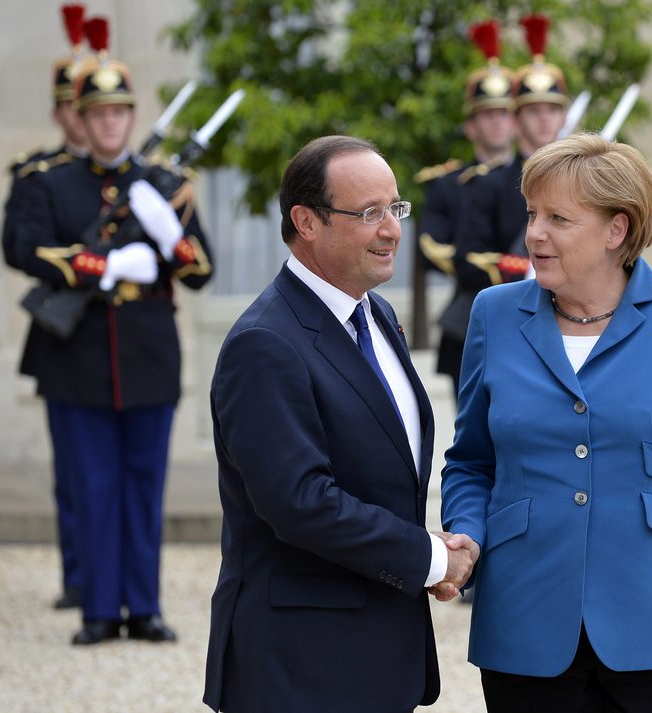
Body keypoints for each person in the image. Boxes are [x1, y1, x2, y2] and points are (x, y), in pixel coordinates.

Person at [440, 133, 652, 712]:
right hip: (525, 620)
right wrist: (465, 534)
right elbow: (471, 461)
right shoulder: (494, 313)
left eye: (559, 218)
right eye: (532, 214)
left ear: (617, 230)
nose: (535, 233)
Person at [202, 135, 479, 713]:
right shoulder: (264, 342)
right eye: (368, 213)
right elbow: (299, 501)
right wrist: (428, 557)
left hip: (376, 652)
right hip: (299, 664)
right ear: (306, 220)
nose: (392, 230)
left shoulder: (376, 313)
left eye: (395, 208)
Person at [12, 16, 213, 645]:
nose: (108, 125)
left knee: (142, 486)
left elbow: (202, 269)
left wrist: (168, 234)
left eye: (119, 114)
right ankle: (100, 610)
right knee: (94, 486)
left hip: (148, 353)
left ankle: (144, 606)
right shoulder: (49, 183)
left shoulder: (164, 188)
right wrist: (99, 265)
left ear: (130, 119)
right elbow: (22, 247)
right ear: (81, 117)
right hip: (79, 357)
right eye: (97, 114)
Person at [0, 3, 90, 610]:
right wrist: (86, 261)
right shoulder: (38, 175)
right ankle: (81, 576)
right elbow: (17, 246)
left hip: (124, 339)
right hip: (68, 336)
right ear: (61, 112)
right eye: (75, 105)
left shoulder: (138, 178)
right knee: (78, 474)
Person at [450, 14, 570, 327]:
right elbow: (469, 262)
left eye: (553, 109)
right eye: (533, 110)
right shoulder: (488, 184)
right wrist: (522, 269)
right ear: (515, 121)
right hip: (506, 317)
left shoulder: (580, 184)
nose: (544, 119)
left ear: (564, 117)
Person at [417, 20, 516, 398]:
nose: (497, 122)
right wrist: (497, 265)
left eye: (505, 113)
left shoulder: (534, 177)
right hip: (471, 308)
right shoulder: (447, 183)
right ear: (471, 125)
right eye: (487, 114)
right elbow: (432, 247)